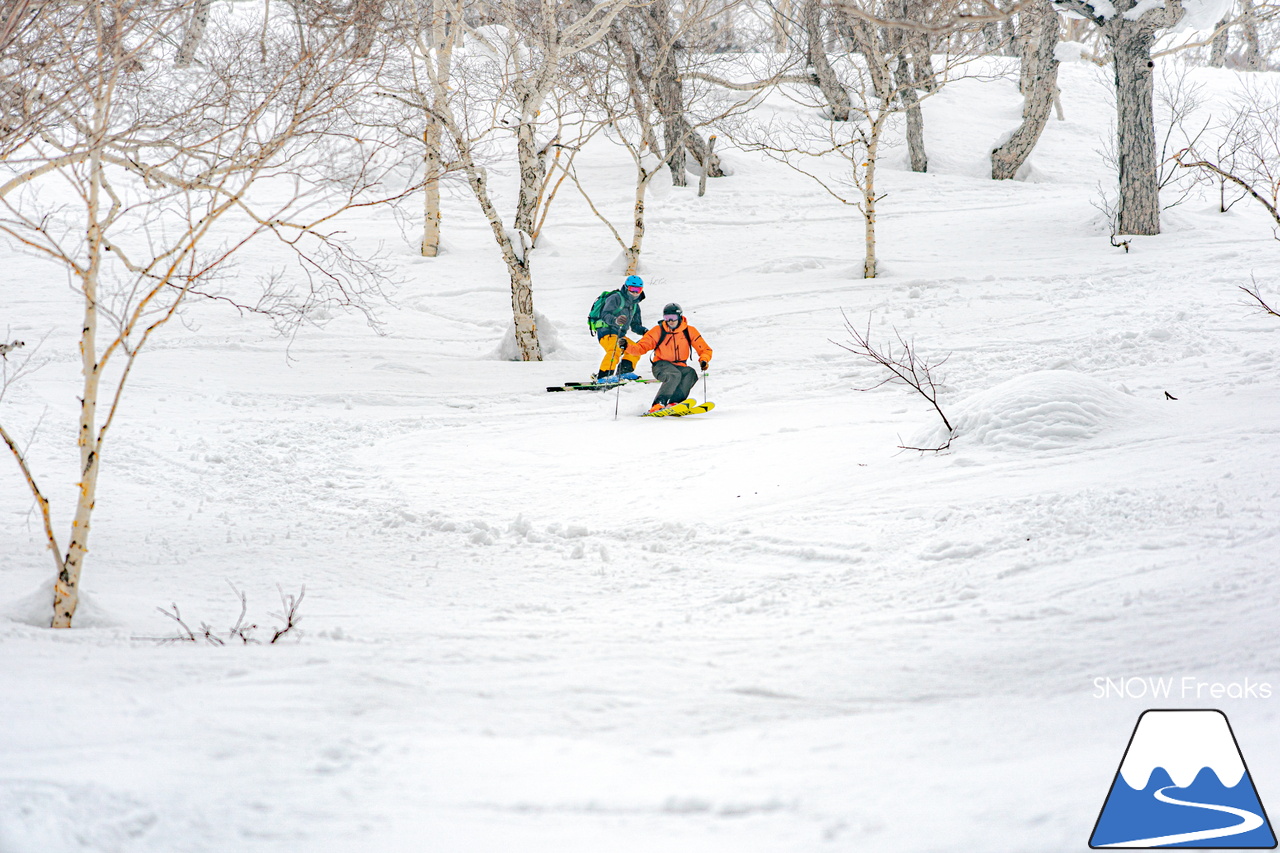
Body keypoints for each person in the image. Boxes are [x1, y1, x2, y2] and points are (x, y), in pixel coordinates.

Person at [619, 302, 712, 414]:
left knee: (690, 373)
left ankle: (675, 403)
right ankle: (658, 403)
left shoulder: (689, 331)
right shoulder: (658, 331)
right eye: (667, 318)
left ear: (680, 317)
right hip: (661, 365)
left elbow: (704, 349)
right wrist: (627, 346)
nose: (670, 321)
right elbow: (641, 348)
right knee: (673, 375)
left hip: (680, 365)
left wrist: (704, 360)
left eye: (673, 317)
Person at [592, 275, 647, 384]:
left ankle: (624, 372)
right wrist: (615, 320)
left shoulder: (635, 305)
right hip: (606, 331)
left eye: (638, 290)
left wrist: (646, 332)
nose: (635, 293)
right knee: (615, 349)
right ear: (626, 288)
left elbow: (635, 326)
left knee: (635, 349)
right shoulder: (616, 298)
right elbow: (605, 314)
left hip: (619, 335)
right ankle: (604, 376)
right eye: (632, 289)